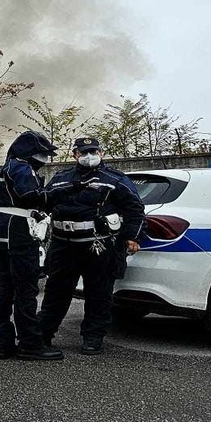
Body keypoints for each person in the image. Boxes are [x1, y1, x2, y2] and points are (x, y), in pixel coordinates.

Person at [36, 137, 145, 355]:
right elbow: (44, 202)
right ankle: (42, 335)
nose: (89, 156)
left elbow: (135, 209)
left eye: (94, 151)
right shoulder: (60, 178)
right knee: (56, 293)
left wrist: (132, 237)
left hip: (98, 245)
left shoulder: (114, 178)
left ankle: (93, 337)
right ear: (75, 154)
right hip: (63, 245)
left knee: (99, 293)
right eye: (84, 152)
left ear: (101, 153)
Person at [0, 131, 65, 361]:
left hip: (0, 231)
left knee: (4, 289)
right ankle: (30, 344)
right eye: (41, 154)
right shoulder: (21, 167)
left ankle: (2, 343)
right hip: (19, 232)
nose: (44, 159)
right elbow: (32, 196)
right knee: (25, 290)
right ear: (29, 152)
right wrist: (56, 193)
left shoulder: (4, 169)